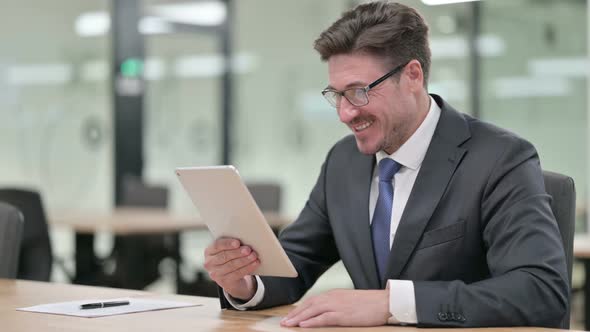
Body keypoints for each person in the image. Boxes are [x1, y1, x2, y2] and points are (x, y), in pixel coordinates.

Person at [203, 1, 569, 328]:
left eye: (360, 91)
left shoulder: (499, 158)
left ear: (412, 76)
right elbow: (295, 262)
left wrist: (391, 304)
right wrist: (245, 281)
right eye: (337, 95)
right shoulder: (343, 162)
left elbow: (540, 290)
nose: (346, 113)